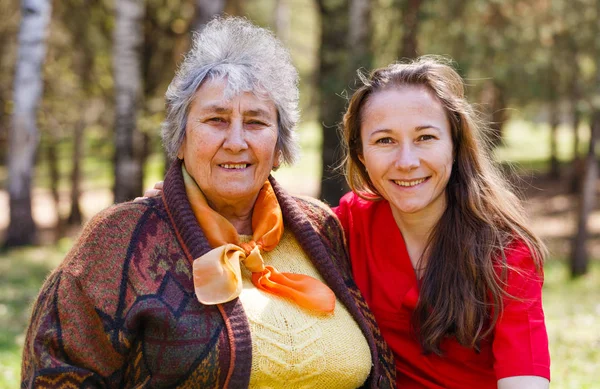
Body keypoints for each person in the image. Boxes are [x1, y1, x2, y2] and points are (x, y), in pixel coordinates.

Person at [20, 17, 395, 389]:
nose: (236, 141)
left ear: (279, 148)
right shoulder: (119, 240)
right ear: (180, 141)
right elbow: (54, 374)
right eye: (216, 120)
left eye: (256, 122)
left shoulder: (320, 227)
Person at [335, 57, 550, 388]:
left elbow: (525, 379)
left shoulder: (506, 253)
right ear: (361, 154)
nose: (406, 162)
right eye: (384, 141)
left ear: (455, 144)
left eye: (425, 137)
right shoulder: (349, 224)